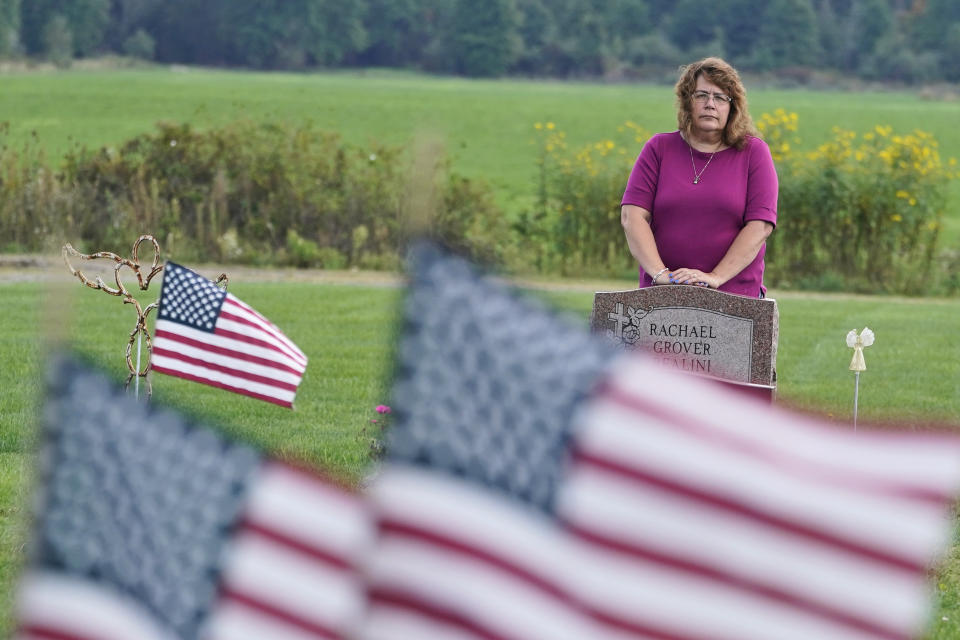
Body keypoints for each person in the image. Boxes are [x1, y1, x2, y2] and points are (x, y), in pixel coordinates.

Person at [620, 57, 777, 298]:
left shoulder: (754, 153)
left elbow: (760, 225)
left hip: (734, 296)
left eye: (720, 97)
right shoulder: (658, 148)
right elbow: (632, 216)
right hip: (663, 293)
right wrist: (661, 275)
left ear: (732, 107)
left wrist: (714, 278)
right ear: (687, 102)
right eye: (701, 95)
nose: (710, 104)